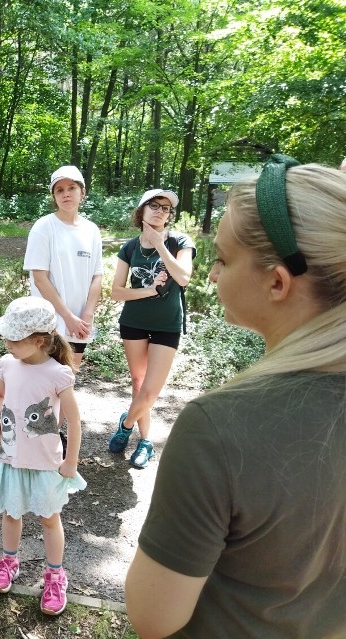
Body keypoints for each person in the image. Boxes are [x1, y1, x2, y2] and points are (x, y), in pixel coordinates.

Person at [125, 157, 346, 638]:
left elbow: (152, 616)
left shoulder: (219, 427)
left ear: (277, 282)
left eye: (223, 259)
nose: (212, 275)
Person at [0, 296, 86, 616]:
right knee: (11, 513)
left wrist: (71, 461)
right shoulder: (7, 363)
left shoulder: (58, 374)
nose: (7, 343)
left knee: (48, 519)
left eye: (14, 338)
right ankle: (9, 561)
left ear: (38, 341)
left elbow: (74, 420)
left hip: (45, 464)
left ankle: (55, 575)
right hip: (12, 457)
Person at [107, 189, 195, 469]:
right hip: (133, 322)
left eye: (166, 208)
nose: (160, 211)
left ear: (170, 216)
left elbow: (183, 278)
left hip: (167, 325)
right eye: (154, 205)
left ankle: (126, 423)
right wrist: (150, 290)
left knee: (150, 391)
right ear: (141, 210)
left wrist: (160, 245)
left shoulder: (181, 241)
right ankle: (146, 442)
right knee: (138, 383)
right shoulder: (130, 247)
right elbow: (117, 292)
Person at [23, 166, 103, 374]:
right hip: (50, 321)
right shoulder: (44, 227)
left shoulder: (91, 230)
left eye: (72, 188)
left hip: (80, 323)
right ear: (54, 196)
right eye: (59, 190)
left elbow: (97, 276)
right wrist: (67, 318)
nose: (66, 193)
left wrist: (87, 314)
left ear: (82, 192)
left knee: (67, 379)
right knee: (45, 381)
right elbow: (40, 278)